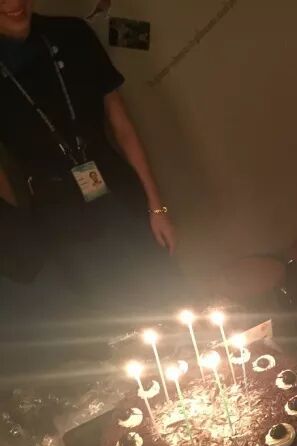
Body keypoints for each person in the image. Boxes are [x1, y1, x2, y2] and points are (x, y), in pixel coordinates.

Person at [0, 0, 188, 378]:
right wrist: (21, 235)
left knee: (167, 297)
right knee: (112, 323)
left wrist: (157, 207)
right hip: (57, 212)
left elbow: (122, 126)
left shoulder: (71, 33)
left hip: (117, 188)